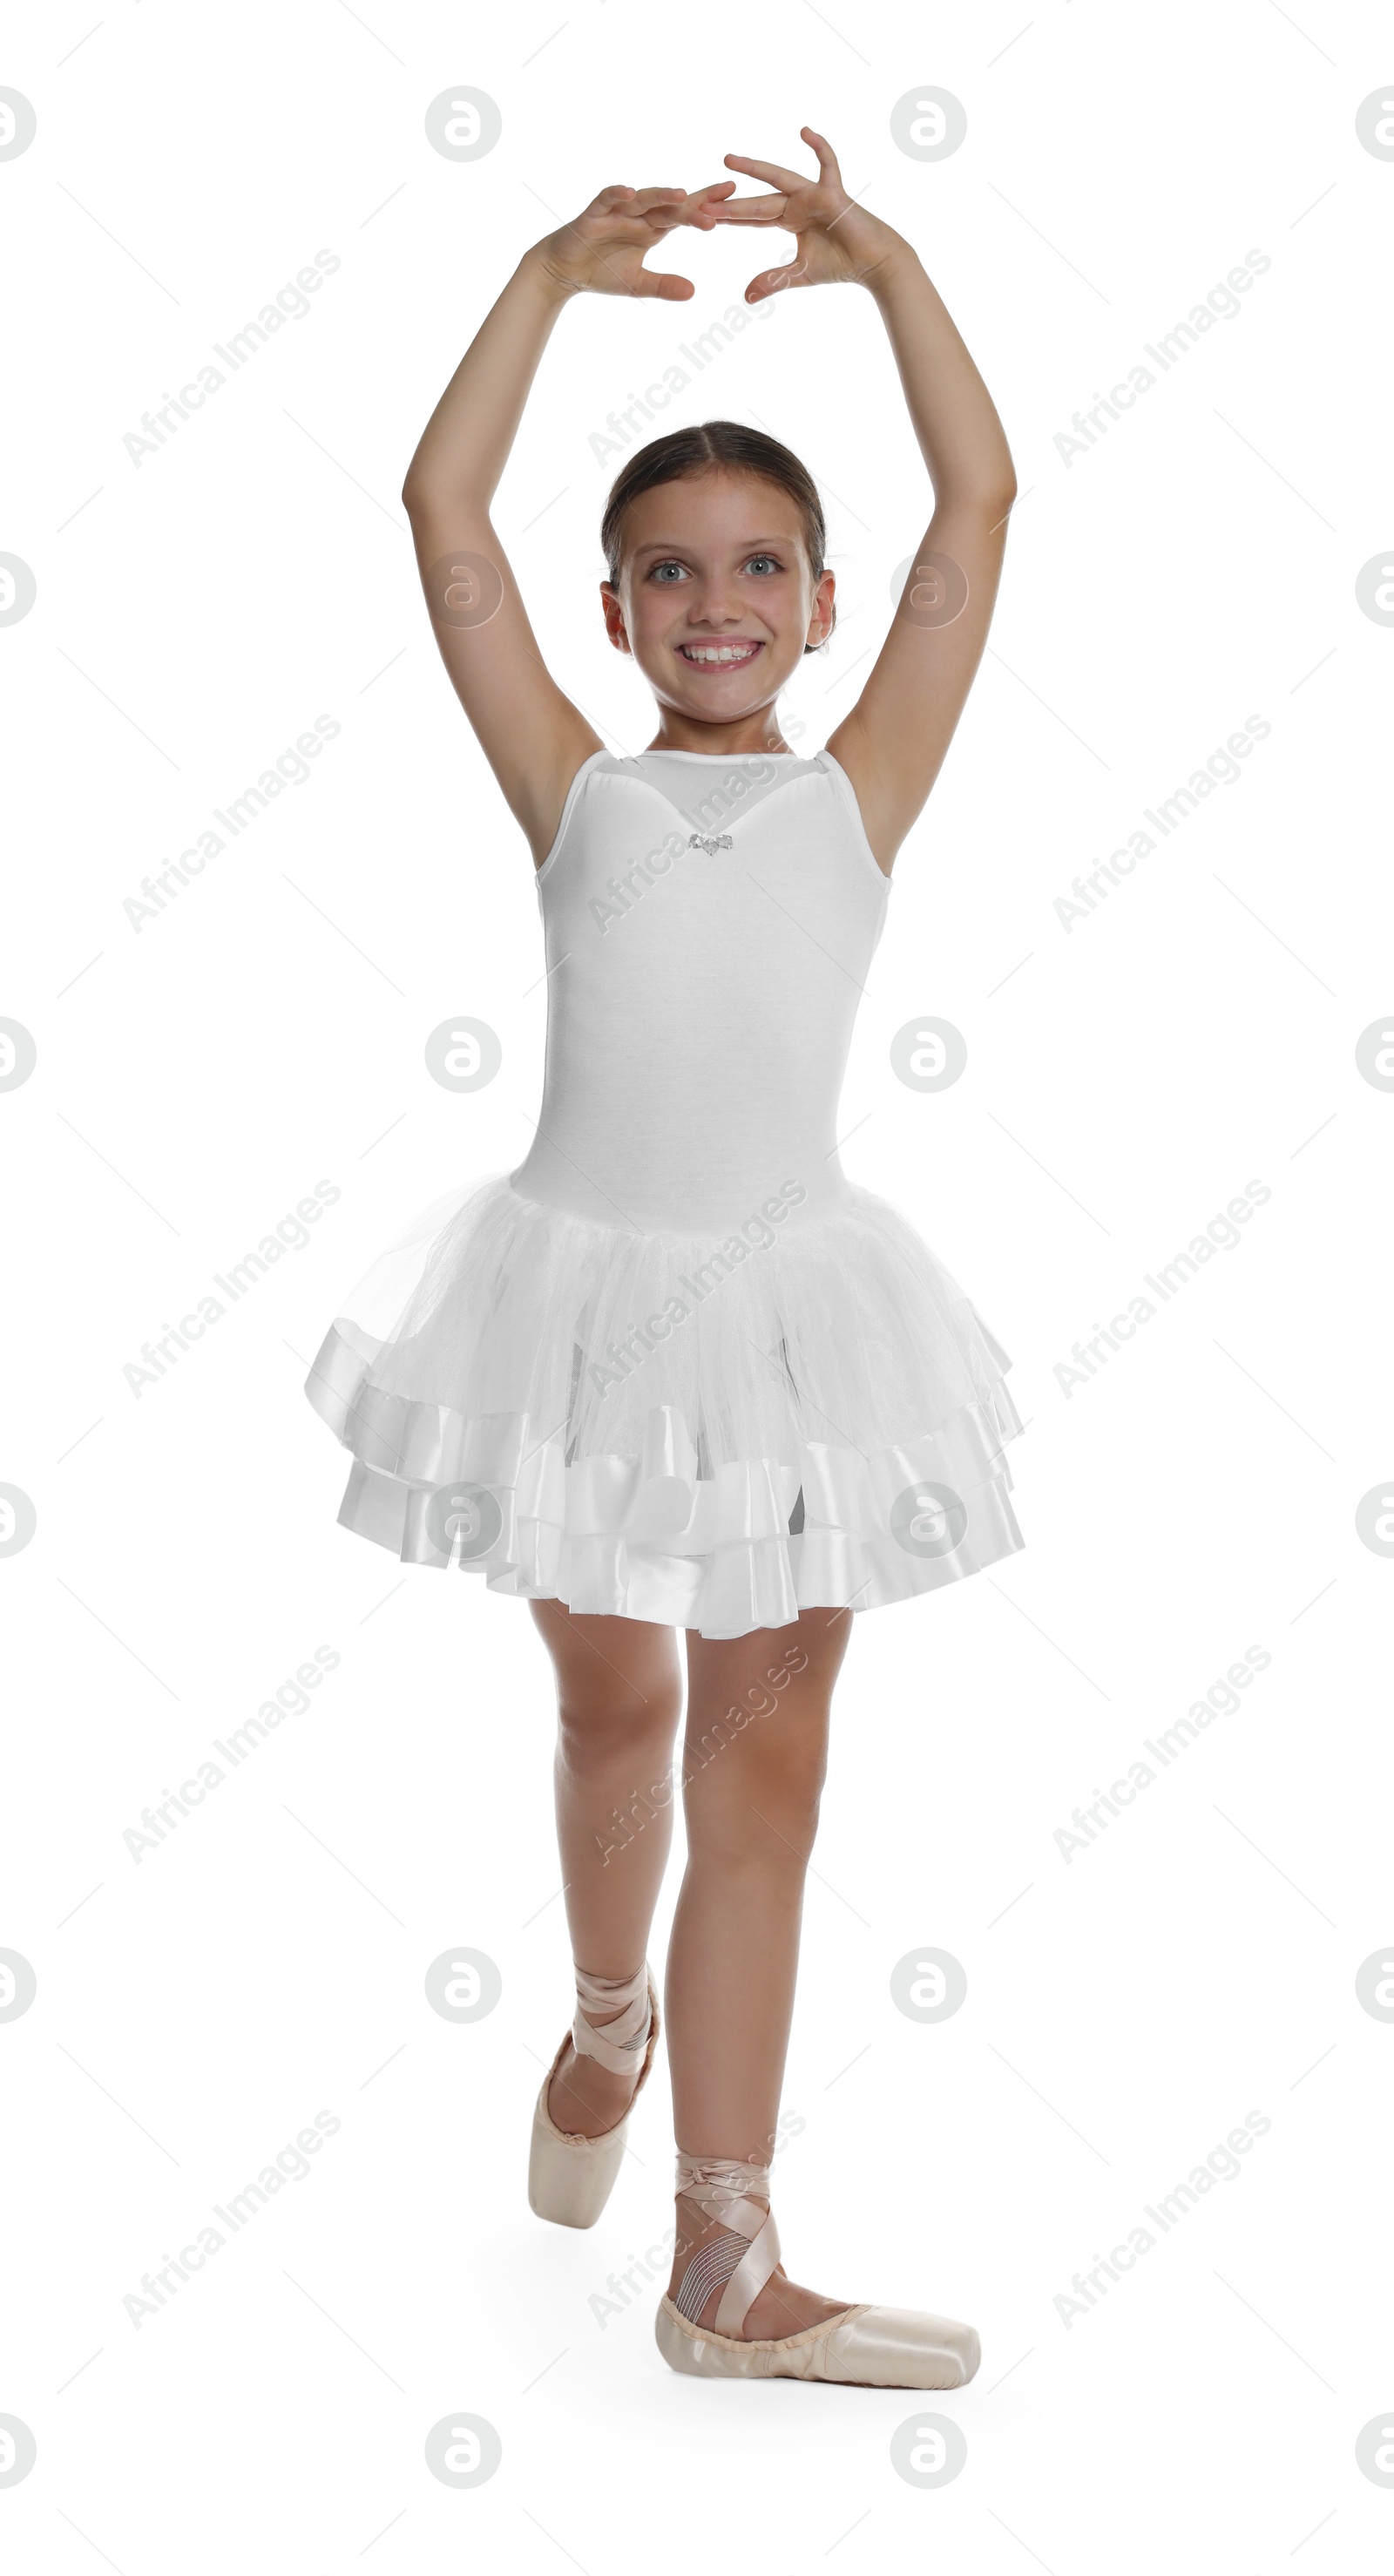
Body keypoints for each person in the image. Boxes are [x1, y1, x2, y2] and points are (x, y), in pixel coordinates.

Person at [305, 129, 1025, 2388]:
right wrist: (539, 274)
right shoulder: (578, 789)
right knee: (614, 1699)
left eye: (762, 565)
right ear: (614, 610)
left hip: (801, 1319)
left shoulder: (860, 786)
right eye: (667, 569)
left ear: (818, 601)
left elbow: (982, 515)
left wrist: (887, 264)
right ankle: (606, 2011)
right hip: (587, 1311)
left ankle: (726, 2250)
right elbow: (440, 526)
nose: (718, 599)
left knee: (778, 1743)